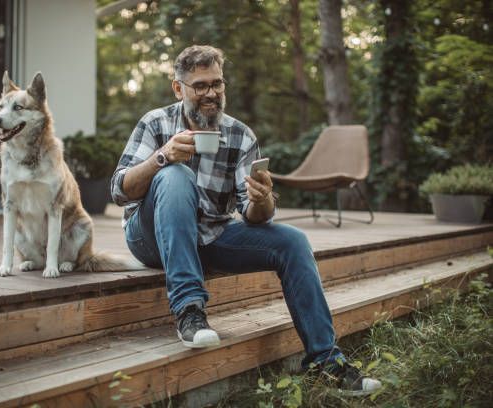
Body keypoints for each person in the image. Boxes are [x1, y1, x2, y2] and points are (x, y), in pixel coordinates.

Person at [111, 45, 382, 396]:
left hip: (210, 235)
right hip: (149, 238)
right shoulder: (155, 122)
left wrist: (262, 199)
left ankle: (326, 362)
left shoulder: (240, 135)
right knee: (174, 176)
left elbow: (254, 216)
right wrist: (162, 158)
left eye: (217, 84)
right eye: (200, 86)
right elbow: (119, 190)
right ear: (178, 89)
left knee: (292, 241)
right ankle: (190, 310)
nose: (211, 94)